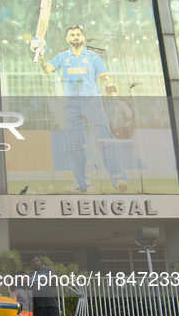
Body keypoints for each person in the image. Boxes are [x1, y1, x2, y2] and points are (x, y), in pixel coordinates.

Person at [32, 25, 131, 193]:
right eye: (72, 35)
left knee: (103, 138)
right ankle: (82, 184)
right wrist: (41, 54)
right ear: (67, 39)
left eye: (79, 34)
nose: (76, 37)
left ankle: (118, 178)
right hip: (71, 103)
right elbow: (47, 69)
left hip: (91, 100)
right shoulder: (63, 57)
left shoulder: (93, 57)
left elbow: (106, 79)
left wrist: (116, 100)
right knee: (74, 145)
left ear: (83, 38)